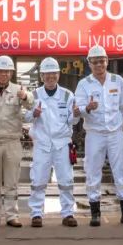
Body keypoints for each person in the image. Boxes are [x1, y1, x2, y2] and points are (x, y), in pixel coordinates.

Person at [75, 45, 123, 226]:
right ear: (89, 64)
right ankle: (95, 212)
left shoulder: (117, 81)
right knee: (93, 171)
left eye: (102, 61)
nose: (99, 65)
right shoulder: (84, 84)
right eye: (95, 62)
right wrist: (87, 108)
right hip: (94, 134)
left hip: (115, 133)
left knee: (121, 171)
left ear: (107, 61)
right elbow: (77, 109)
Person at [0, 55, 33, 228]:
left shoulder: (19, 90)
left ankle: (12, 215)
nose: (4, 74)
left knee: (12, 182)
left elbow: (31, 104)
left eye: (7, 71)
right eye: (1, 71)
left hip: (12, 141)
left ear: (11, 73)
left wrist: (24, 97)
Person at [26, 57, 78, 228]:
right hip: (42, 143)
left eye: (53, 73)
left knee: (66, 179)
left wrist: (76, 114)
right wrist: (33, 114)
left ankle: (68, 213)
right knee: (38, 180)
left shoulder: (67, 95)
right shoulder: (34, 95)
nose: (50, 77)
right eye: (47, 74)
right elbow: (25, 117)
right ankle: (36, 213)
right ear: (41, 76)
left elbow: (73, 121)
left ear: (58, 75)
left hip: (62, 143)